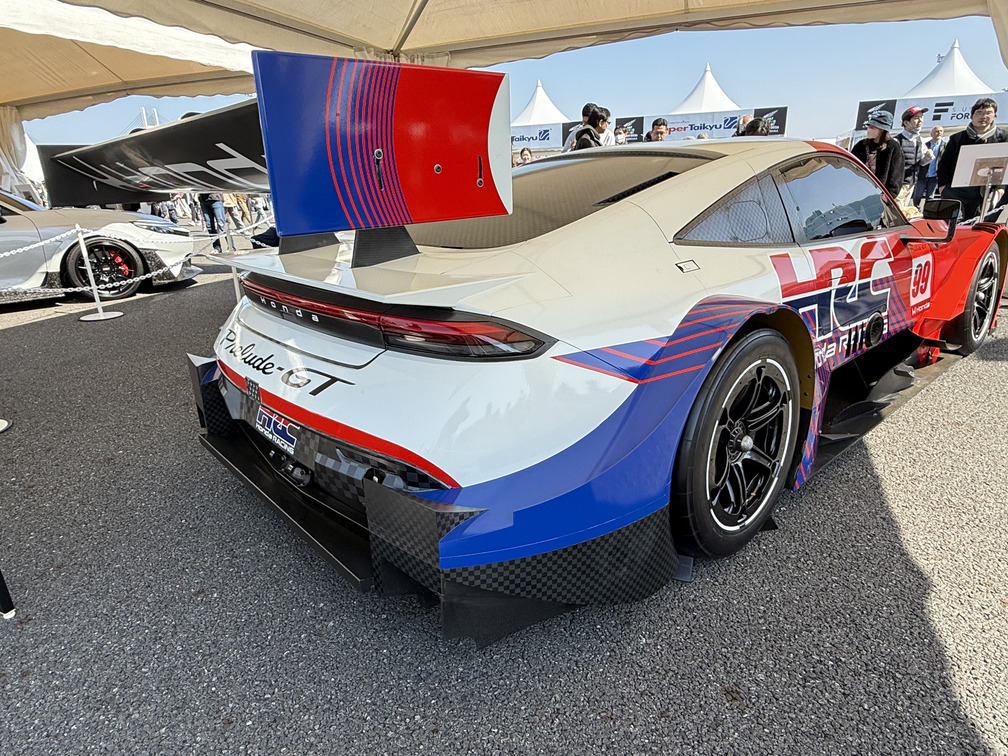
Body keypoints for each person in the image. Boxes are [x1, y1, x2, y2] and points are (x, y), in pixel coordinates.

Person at [937, 97, 1008, 220]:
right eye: (979, 113)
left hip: (983, 194)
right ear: (971, 116)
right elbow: (944, 164)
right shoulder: (957, 138)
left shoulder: (1003, 137)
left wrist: (1000, 187)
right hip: (955, 192)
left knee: (976, 225)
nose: (983, 116)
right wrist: (942, 187)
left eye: (988, 113)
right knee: (955, 223)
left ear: (995, 115)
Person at [850, 110, 904, 197]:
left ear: (882, 130)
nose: (869, 129)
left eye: (873, 127)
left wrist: (890, 195)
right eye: (869, 126)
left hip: (880, 194)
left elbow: (896, 175)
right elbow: (850, 167)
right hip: (859, 191)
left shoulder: (893, 147)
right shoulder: (861, 145)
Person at [892, 106, 934, 206]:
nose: (920, 120)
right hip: (898, 185)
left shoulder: (920, 140)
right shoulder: (896, 141)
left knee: (904, 210)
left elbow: (922, 163)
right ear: (906, 123)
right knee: (896, 211)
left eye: (921, 117)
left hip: (911, 184)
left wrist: (928, 157)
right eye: (916, 118)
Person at [913, 126, 945, 207]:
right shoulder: (925, 145)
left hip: (934, 176)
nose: (939, 133)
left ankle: (927, 212)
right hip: (923, 175)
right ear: (931, 134)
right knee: (917, 195)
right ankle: (916, 209)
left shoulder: (945, 146)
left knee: (930, 197)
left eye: (941, 131)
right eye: (937, 131)